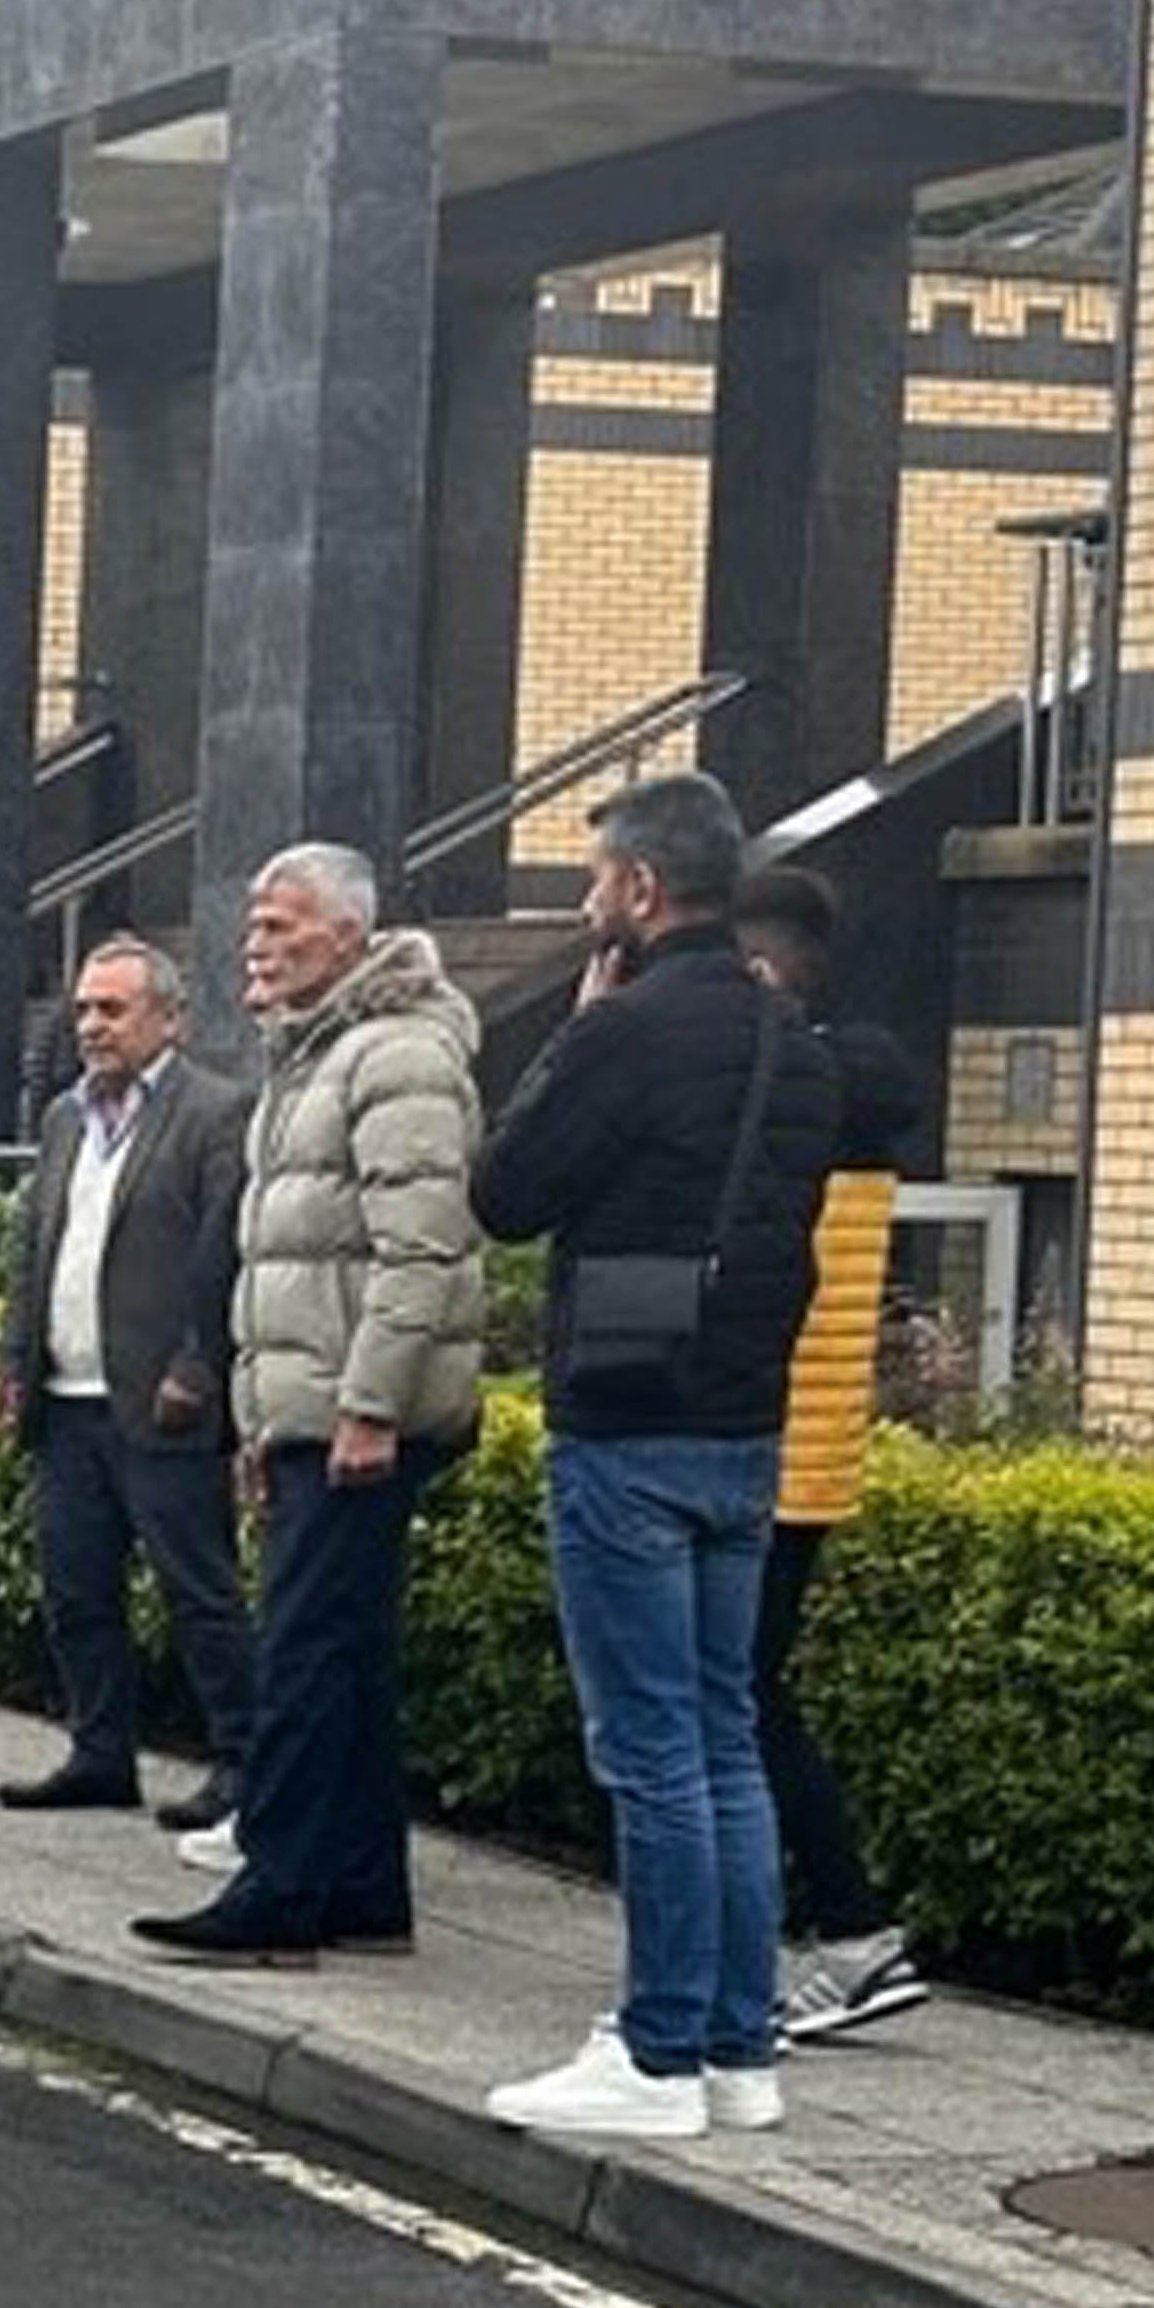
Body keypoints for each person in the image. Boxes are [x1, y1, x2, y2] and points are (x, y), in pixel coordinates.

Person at [471, 774, 837, 2141]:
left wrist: (571, 1043)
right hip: (747, 1423)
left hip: (626, 1425)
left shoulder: (624, 1033)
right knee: (726, 1735)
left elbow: (504, 1195)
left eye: (593, 885)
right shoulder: (791, 1043)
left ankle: (658, 2046)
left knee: (652, 1751)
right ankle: (741, 2049)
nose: (584, 907)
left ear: (636, 891)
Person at [130, 849, 483, 1967]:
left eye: (281, 926)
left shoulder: (397, 1057)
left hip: (353, 1411)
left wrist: (366, 1407)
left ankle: (277, 1884)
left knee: (300, 1650)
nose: (256, 945)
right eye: (252, 925)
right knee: (349, 1653)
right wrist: (260, 1415)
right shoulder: (315, 1056)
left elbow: (418, 1246)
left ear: (346, 935)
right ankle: (364, 1887)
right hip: (310, 1405)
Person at [0, 937, 257, 1833]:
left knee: (198, 1590)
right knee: (75, 1588)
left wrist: (198, 1364)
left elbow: (228, 1253)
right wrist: (13, 1360)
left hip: (161, 1401)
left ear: (169, 1019)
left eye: (113, 1009)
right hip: (68, 1399)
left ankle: (243, 1763)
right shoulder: (66, 1117)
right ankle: (101, 1751)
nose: (93, 1026)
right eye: (84, 1010)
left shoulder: (216, 1114)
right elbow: (35, 1245)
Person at [730, 866, 934, 2045]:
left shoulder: (835, 1076)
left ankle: (849, 1931)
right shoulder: (837, 1076)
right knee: (743, 1693)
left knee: (740, 1695)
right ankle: (822, 1932)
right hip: (788, 1437)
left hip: (783, 1439)